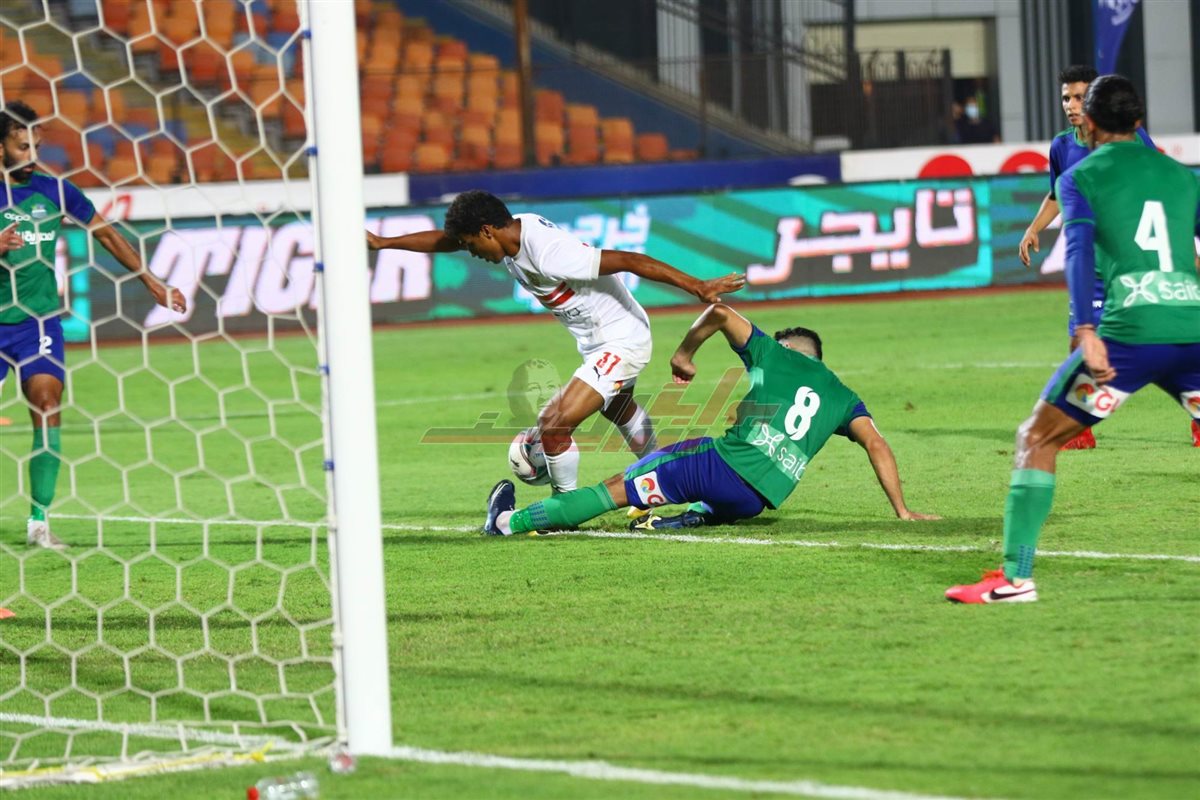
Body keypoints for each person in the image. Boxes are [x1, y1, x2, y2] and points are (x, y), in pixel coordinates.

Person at [947, 75, 1200, 604]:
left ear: (1090, 122)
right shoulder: (1183, 177)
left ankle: (1016, 580)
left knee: (1036, 439)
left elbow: (1079, 253)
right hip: (1192, 332)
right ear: (1138, 120)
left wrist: (1086, 328)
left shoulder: (1080, 176)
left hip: (1129, 341)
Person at [368, 190, 744, 494]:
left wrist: (696, 285)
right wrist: (383, 242)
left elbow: (630, 260)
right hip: (598, 341)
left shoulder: (549, 253)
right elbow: (447, 240)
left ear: (486, 231)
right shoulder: (510, 233)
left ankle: (564, 506)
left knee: (553, 424)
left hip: (621, 339)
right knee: (618, 409)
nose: (472, 253)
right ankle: (659, 473)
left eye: (471, 245)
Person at [481, 302, 939, 537]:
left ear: (789, 348)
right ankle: (690, 517)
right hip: (755, 500)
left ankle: (505, 524)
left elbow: (719, 312)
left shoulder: (774, 354)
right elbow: (877, 444)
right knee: (707, 493)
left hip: (716, 468)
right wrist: (901, 510)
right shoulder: (844, 397)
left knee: (611, 491)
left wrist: (684, 353)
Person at [1, 100, 186, 549]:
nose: (31, 155)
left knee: (48, 403)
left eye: (36, 146)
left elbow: (105, 233)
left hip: (37, 323)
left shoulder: (55, 191)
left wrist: (152, 281)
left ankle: (39, 522)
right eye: (22, 146)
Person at [1016, 66, 1186, 448]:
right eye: (1066, 98)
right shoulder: (1062, 146)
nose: (1071, 105)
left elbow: (1155, 176)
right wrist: (1034, 228)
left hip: (1129, 256)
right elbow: (1057, 193)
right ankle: (1080, 428)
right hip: (1093, 260)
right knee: (1079, 341)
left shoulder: (1129, 138)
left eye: (1079, 97)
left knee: (1167, 338)